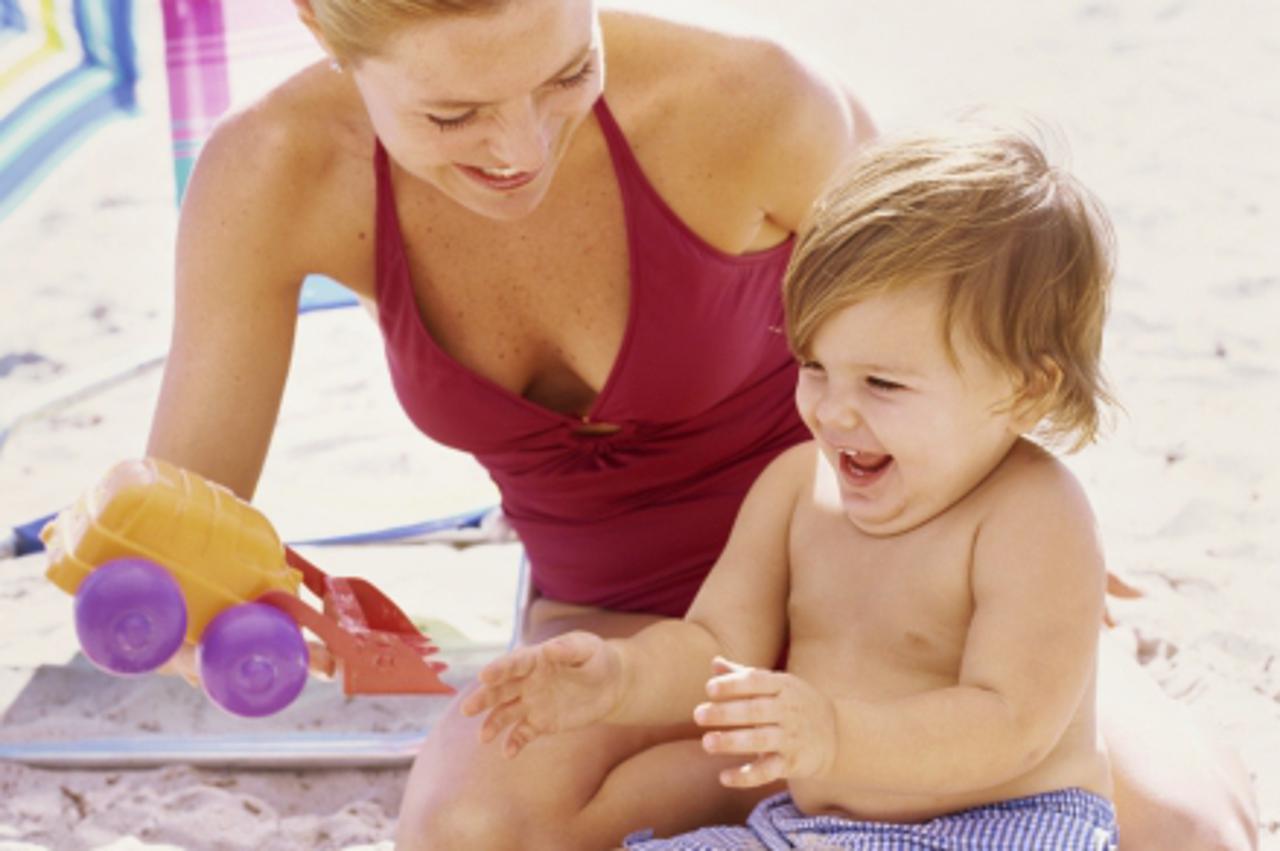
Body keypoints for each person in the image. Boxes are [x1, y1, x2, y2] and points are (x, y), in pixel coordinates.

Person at [141, 0, 1256, 848]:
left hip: (895, 593)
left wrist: (1028, 539)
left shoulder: (755, 105)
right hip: (636, 631)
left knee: (1186, 826)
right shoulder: (274, 171)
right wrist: (186, 599)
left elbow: (959, 342)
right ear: (324, 36)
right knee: (468, 822)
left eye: (567, 71)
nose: (520, 145)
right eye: (451, 114)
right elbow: (189, 513)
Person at [463, 123, 1124, 849]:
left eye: (882, 382)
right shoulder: (795, 487)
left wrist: (835, 732)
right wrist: (618, 678)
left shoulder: (1032, 514)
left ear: (1025, 391)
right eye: (814, 366)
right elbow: (716, 649)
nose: (833, 410)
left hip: (1001, 828)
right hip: (808, 827)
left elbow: (1013, 722)